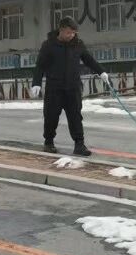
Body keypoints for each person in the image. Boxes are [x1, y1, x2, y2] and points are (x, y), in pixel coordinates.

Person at [31, 17, 109, 155]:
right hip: (54, 88)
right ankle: (49, 142)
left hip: (73, 87)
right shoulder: (49, 45)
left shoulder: (77, 44)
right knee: (51, 116)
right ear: (61, 30)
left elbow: (89, 60)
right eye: (69, 33)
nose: (71, 35)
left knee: (75, 117)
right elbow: (40, 66)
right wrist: (36, 83)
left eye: (74, 33)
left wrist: (101, 72)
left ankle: (79, 144)